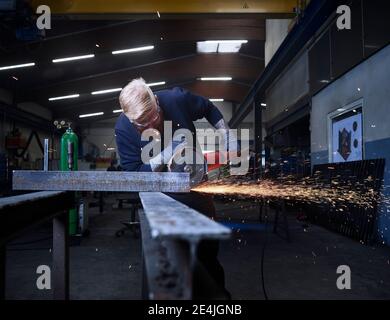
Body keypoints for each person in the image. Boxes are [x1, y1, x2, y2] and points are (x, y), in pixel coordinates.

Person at [115, 78, 237, 299]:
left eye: (154, 116)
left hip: (197, 189)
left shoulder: (176, 100)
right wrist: (166, 153)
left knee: (207, 256)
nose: (151, 124)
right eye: (143, 124)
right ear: (131, 119)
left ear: (156, 101)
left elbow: (208, 108)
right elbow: (135, 175)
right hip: (160, 202)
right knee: (171, 260)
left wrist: (228, 136)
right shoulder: (123, 128)